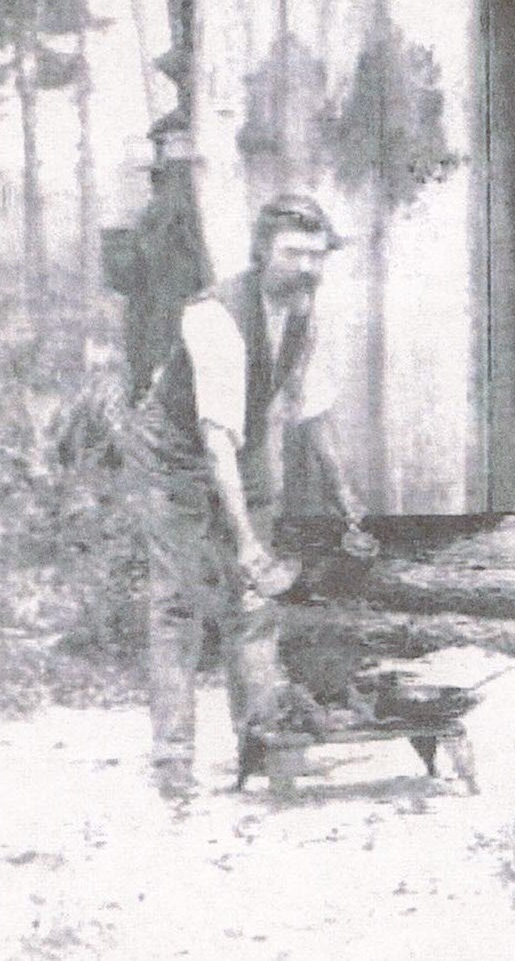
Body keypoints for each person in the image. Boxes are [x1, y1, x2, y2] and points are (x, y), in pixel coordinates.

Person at [141, 192, 371, 801]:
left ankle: (265, 740)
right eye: (295, 253)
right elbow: (216, 442)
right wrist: (243, 541)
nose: (308, 268)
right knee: (179, 604)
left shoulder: (303, 313)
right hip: (177, 454)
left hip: (242, 447)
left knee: (255, 601)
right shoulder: (215, 316)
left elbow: (311, 410)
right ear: (262, 252)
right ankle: (172, 763)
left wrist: (345, 495)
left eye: (318, 255)